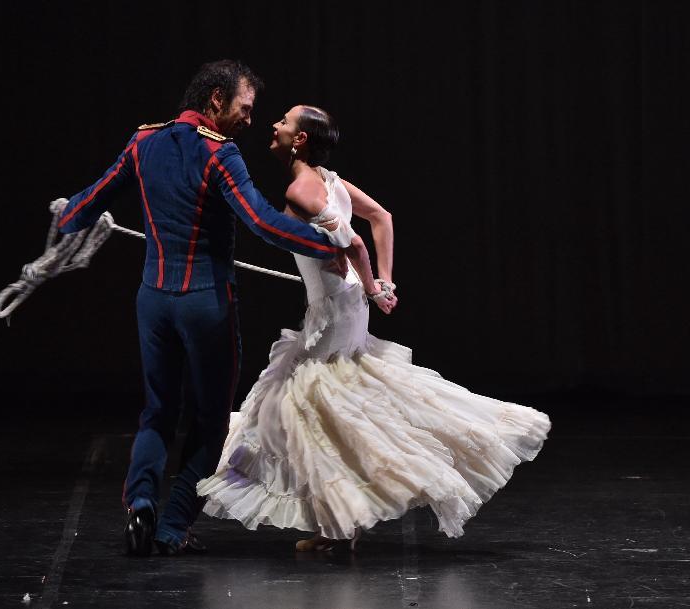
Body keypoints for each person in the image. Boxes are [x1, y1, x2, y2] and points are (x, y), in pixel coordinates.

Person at [197, 105, 551, 551]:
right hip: (343, 303)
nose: (274, 126)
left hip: (335, 308)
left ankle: (343, 518)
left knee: (307, 405)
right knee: (332, 403)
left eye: (284, 122)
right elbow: (381, 217)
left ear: (300, 139)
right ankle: (339, 523)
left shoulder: (305, 187)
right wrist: (383, 281)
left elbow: (356, 240)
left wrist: (375, 288)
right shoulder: (328, 179)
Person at [56, 61, 349, 556]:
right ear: (216, 100)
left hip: (153, 301)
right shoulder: (220, 155)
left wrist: (68, 216)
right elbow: (261, 221)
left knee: (157, 413)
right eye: (245, 108)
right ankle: (172, 527)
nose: (250, 120)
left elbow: (92, 199)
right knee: (211, 421)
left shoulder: (143, 140)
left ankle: (141, 502)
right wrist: (329, 243)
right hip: (205, 305)